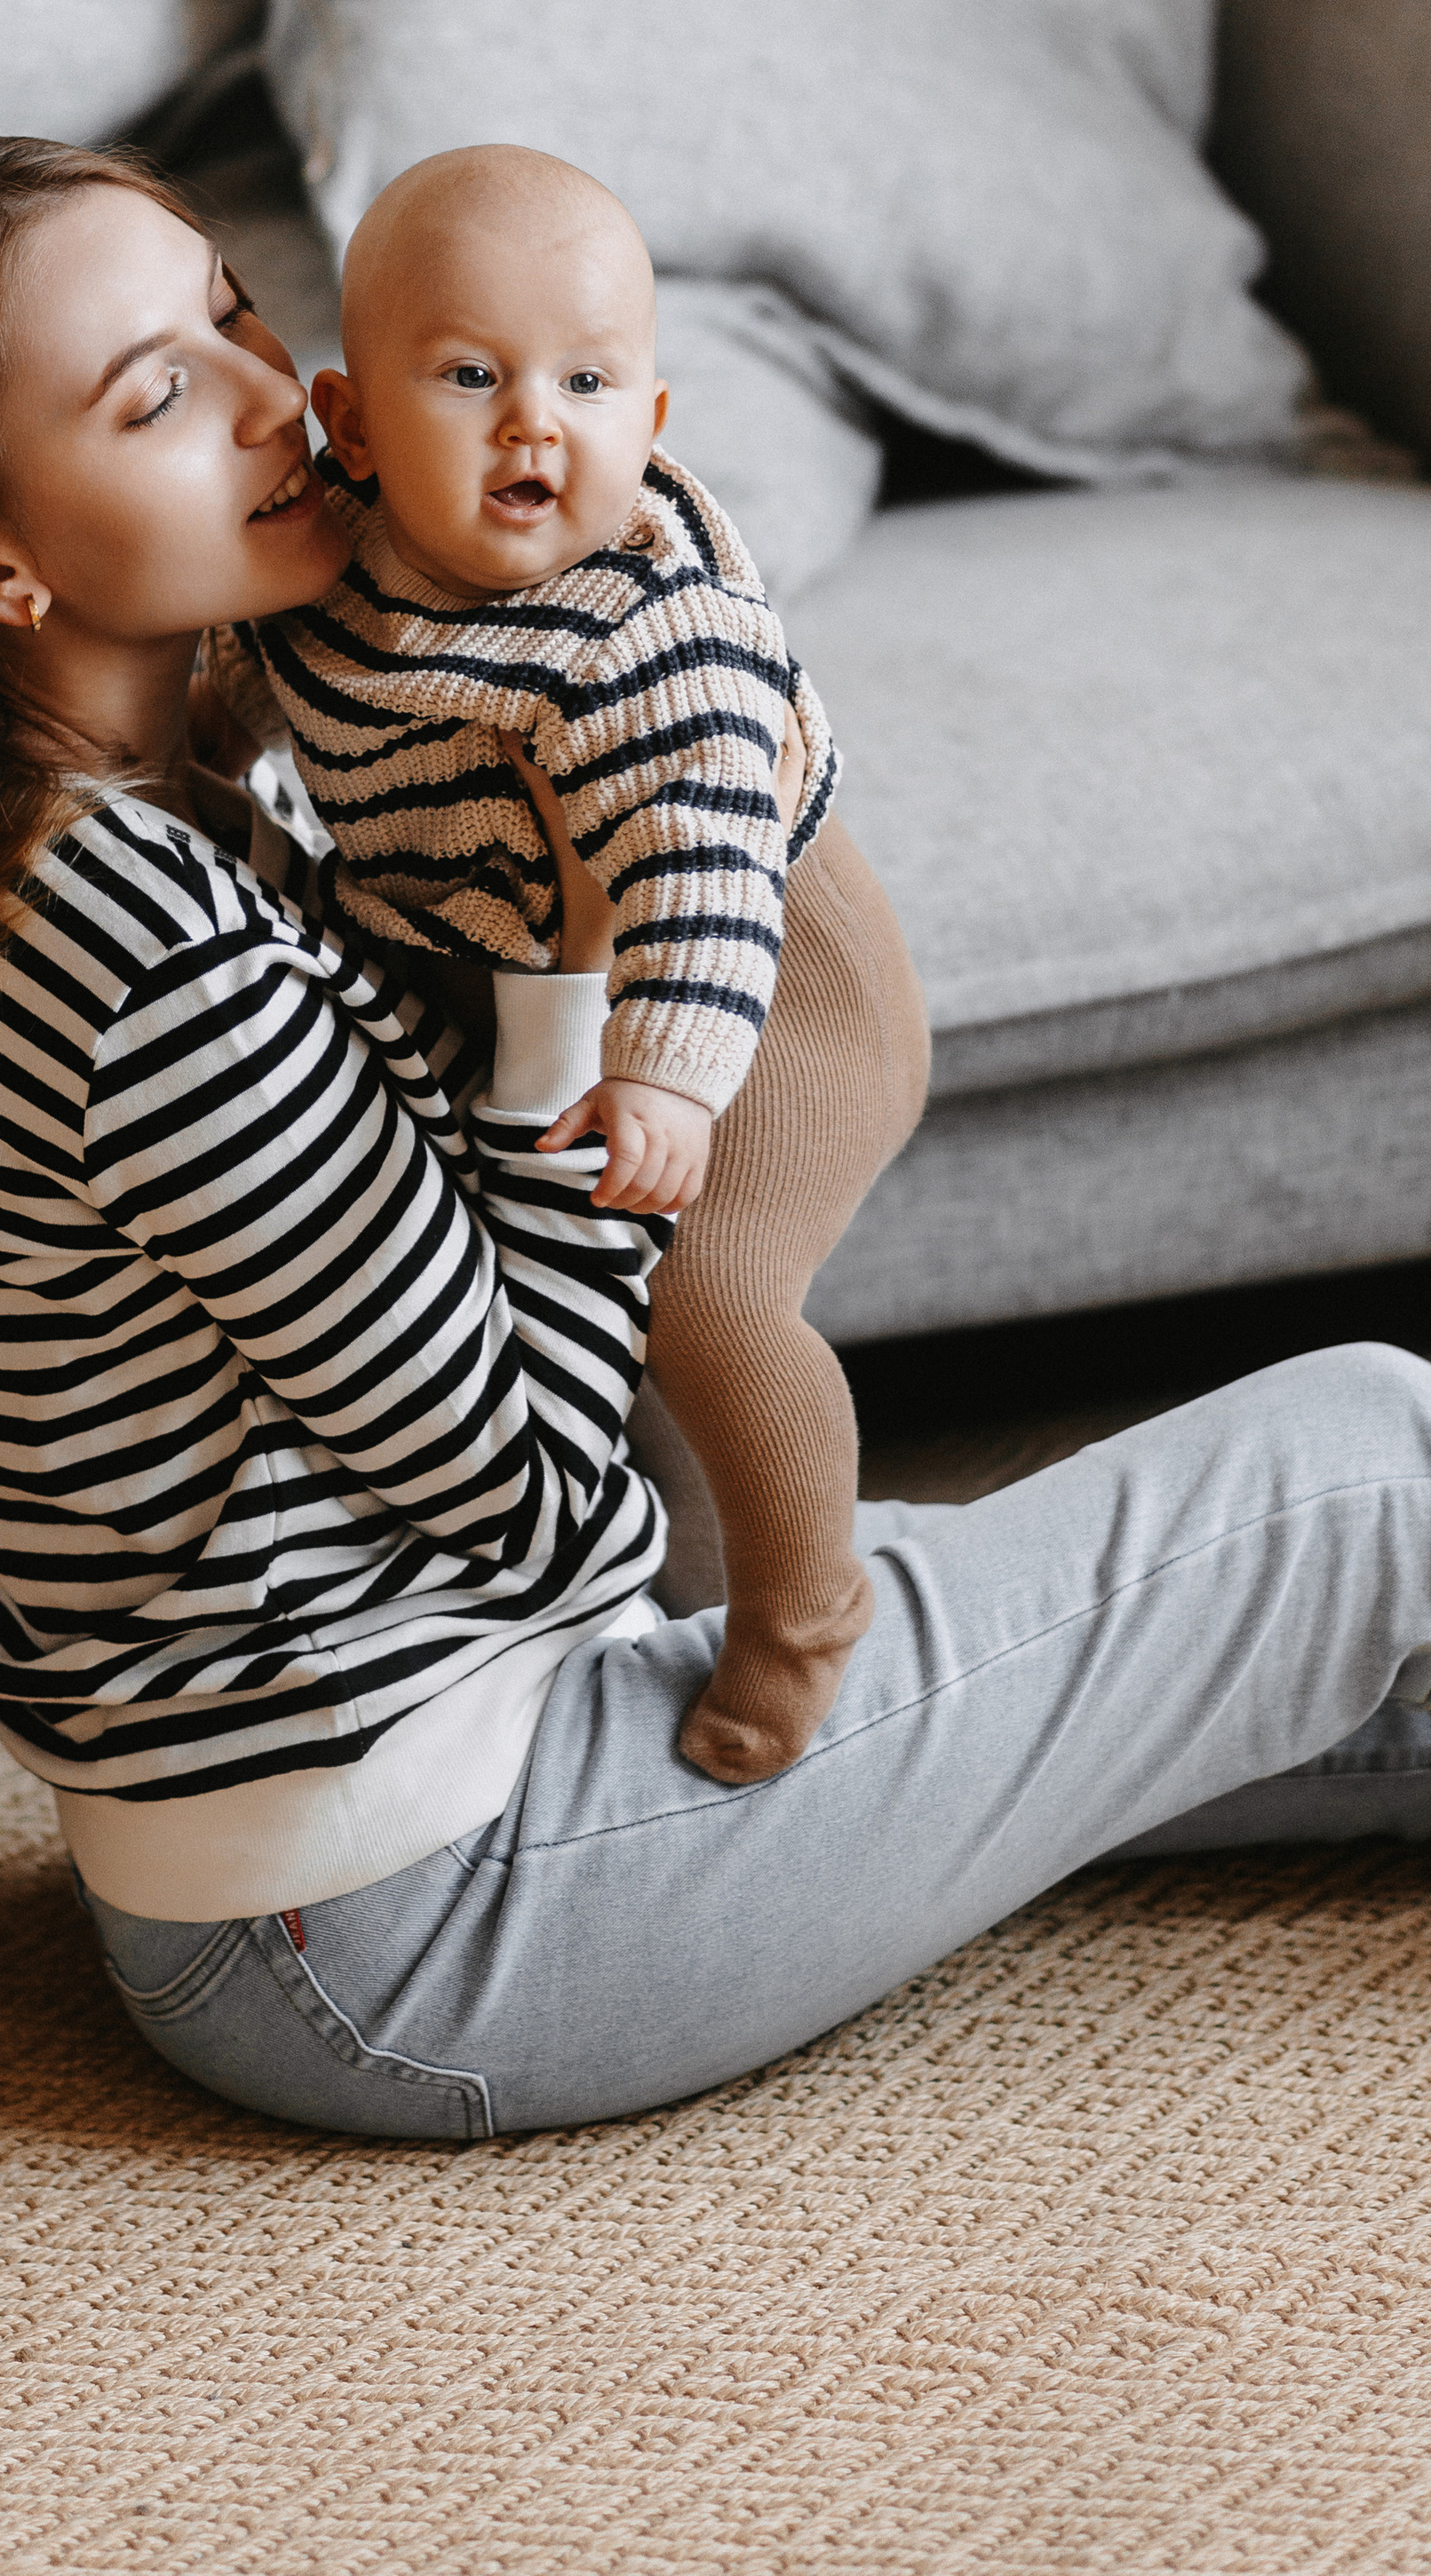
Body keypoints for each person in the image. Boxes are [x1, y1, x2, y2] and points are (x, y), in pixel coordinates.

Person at [0, 132, 1431, 2147]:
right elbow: (532, 1489)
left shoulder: (21, 859)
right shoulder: (138, 948)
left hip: (304, 1866)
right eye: (158, 393)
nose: (285, 401)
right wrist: (577, 981)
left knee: (1331, 1648)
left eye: (230, 309)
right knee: (1373, 1482)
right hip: (417, 1920)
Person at [199, 143, 922, 1787]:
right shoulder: (328, 583)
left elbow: (702, 868)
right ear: (355, 424)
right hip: (509, 964)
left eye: (590, 382)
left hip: (775, 986)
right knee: (522, 1292)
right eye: (471, 375)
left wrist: (671, 1066)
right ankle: (609, 1581)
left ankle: (808, 1606)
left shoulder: (644, 634)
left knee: (709, 1293)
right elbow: (257, 704)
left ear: (650, 426)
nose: (538, 422)